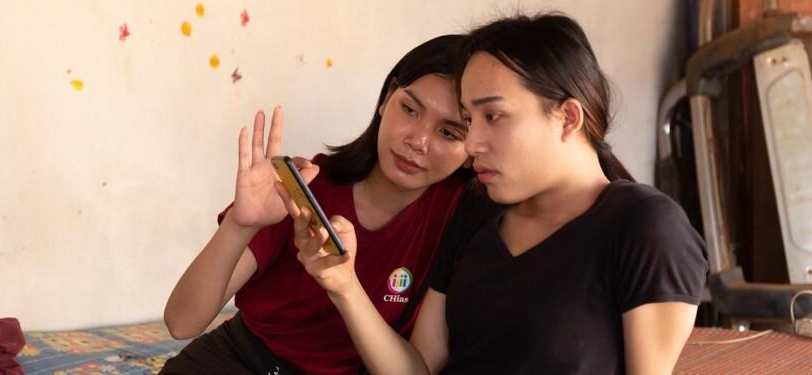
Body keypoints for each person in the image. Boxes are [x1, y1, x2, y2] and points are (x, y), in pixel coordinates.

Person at [286, 13, 708, 375]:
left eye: (494, 116)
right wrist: (343, 284)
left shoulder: (645, 227)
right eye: (470, 120)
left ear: (567, 117)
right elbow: (419, 368)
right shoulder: (475, 213)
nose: (472, 145)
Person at [161, 34, 473, 375]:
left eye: (449, 133)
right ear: (387, 98)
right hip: (237, 362)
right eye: (410, 110)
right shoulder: (307, 186)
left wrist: (344, 285)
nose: (418, 141)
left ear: (474, 146)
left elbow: (415, 370)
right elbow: (182, 323)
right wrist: (241, 223)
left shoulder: (460, 216)